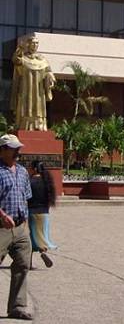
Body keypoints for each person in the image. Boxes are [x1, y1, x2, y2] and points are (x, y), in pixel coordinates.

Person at [0, 134, 33, 320]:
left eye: (18, 148)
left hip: (20, 228)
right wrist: (2, 215)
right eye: (13, 148)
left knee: (22, 264)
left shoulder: (21, 171)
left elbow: (25, 198)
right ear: (3, 150)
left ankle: (17, 306)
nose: (17, 151)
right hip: (1, 227)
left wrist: (26, 225)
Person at [28, 161, 57, 269]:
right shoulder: (47, 182)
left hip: (32, 212)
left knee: (30, 237)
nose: (29, 169)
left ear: (35, 169)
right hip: (44, 213)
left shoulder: (30, 181)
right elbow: (49, 199)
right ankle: (43, 252)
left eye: (30, 167)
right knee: (42, 235)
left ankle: (29, 263)